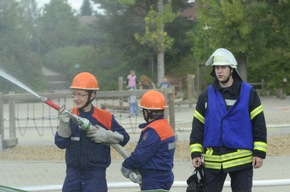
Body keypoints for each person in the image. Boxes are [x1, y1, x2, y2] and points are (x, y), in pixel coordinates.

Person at [189, 48, 267, 192]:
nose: (219, 71)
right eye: (217, 67)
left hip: (241, 160)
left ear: (231, 69)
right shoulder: (205, 95)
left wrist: (259, 153)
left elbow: (259, 124)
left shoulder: (249, 93)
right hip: (214, 161)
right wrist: (195, 152)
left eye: (223, 67)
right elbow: (198, 126)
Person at [55, 72, 130, 192]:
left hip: (95, 176)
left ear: (92, 95)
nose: (76, 99)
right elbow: (60, 143)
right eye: (74, 94)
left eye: (80, 95)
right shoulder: (70, 115)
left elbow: (125, 138)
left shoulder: (104, 117)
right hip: (73, 174)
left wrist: (107, 135)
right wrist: (63, 124)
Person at [121, 90, 176, 191]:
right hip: (164, 176)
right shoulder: (165, 127)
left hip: (154, 180)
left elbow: (140, 155)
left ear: (146, 112)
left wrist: (126, 165)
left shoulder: (153, 131)